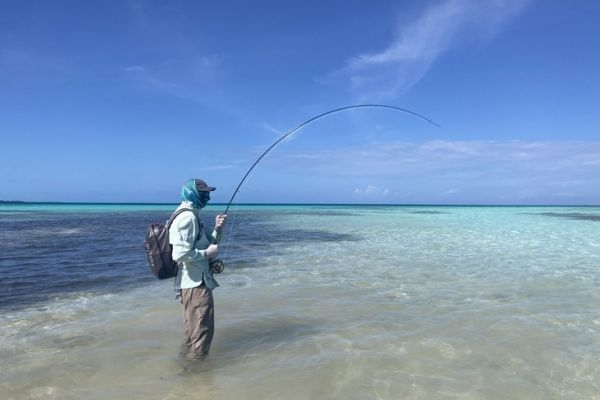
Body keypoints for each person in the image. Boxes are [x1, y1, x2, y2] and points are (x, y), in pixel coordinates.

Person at [169, 178, 227, 360]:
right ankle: (197, 378)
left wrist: (217, 228)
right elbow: (179, 254)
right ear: (192, 193)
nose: (208, 197)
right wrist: (206, 254)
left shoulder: (190, 214)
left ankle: (184, 371)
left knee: (192, 334)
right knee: (202, 334)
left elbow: (206, 241)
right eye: (204, 193)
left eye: (208, 193)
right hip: (196, 285)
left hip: (191, 283)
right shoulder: (187, 217)